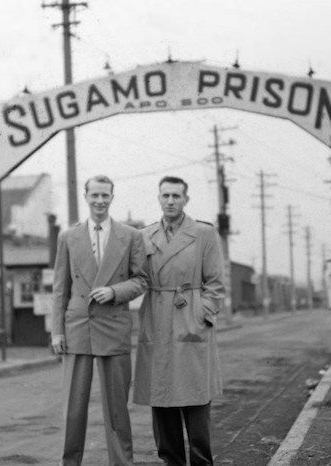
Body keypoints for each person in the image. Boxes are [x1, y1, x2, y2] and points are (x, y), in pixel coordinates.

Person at [50, 174, 148, 466]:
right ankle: (69, 463)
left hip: (113, 325)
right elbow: (60, 288)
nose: (100, 201)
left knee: (117, 408)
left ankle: (122, 462)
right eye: (95, 195)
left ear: (112, 197)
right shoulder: (68, 237)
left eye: (105, 195)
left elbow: (142, 280)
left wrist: (114, 291)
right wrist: (57, 332)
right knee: (73, 408)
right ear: (86, 197)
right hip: (77, 327)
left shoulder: (131, 236)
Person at [134, 176, 226, 466]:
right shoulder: (144, 235)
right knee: (161, 398)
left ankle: (201, 461)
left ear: (186, 199)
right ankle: (171, 461)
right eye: (166, 196)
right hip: (157, 319)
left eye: (176, 196)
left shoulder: (204, 233)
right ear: (158, 198)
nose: (170, 201)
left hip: (189, 315)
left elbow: (216, 284)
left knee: (196, 398)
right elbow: (135, 277)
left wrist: (201, 314)